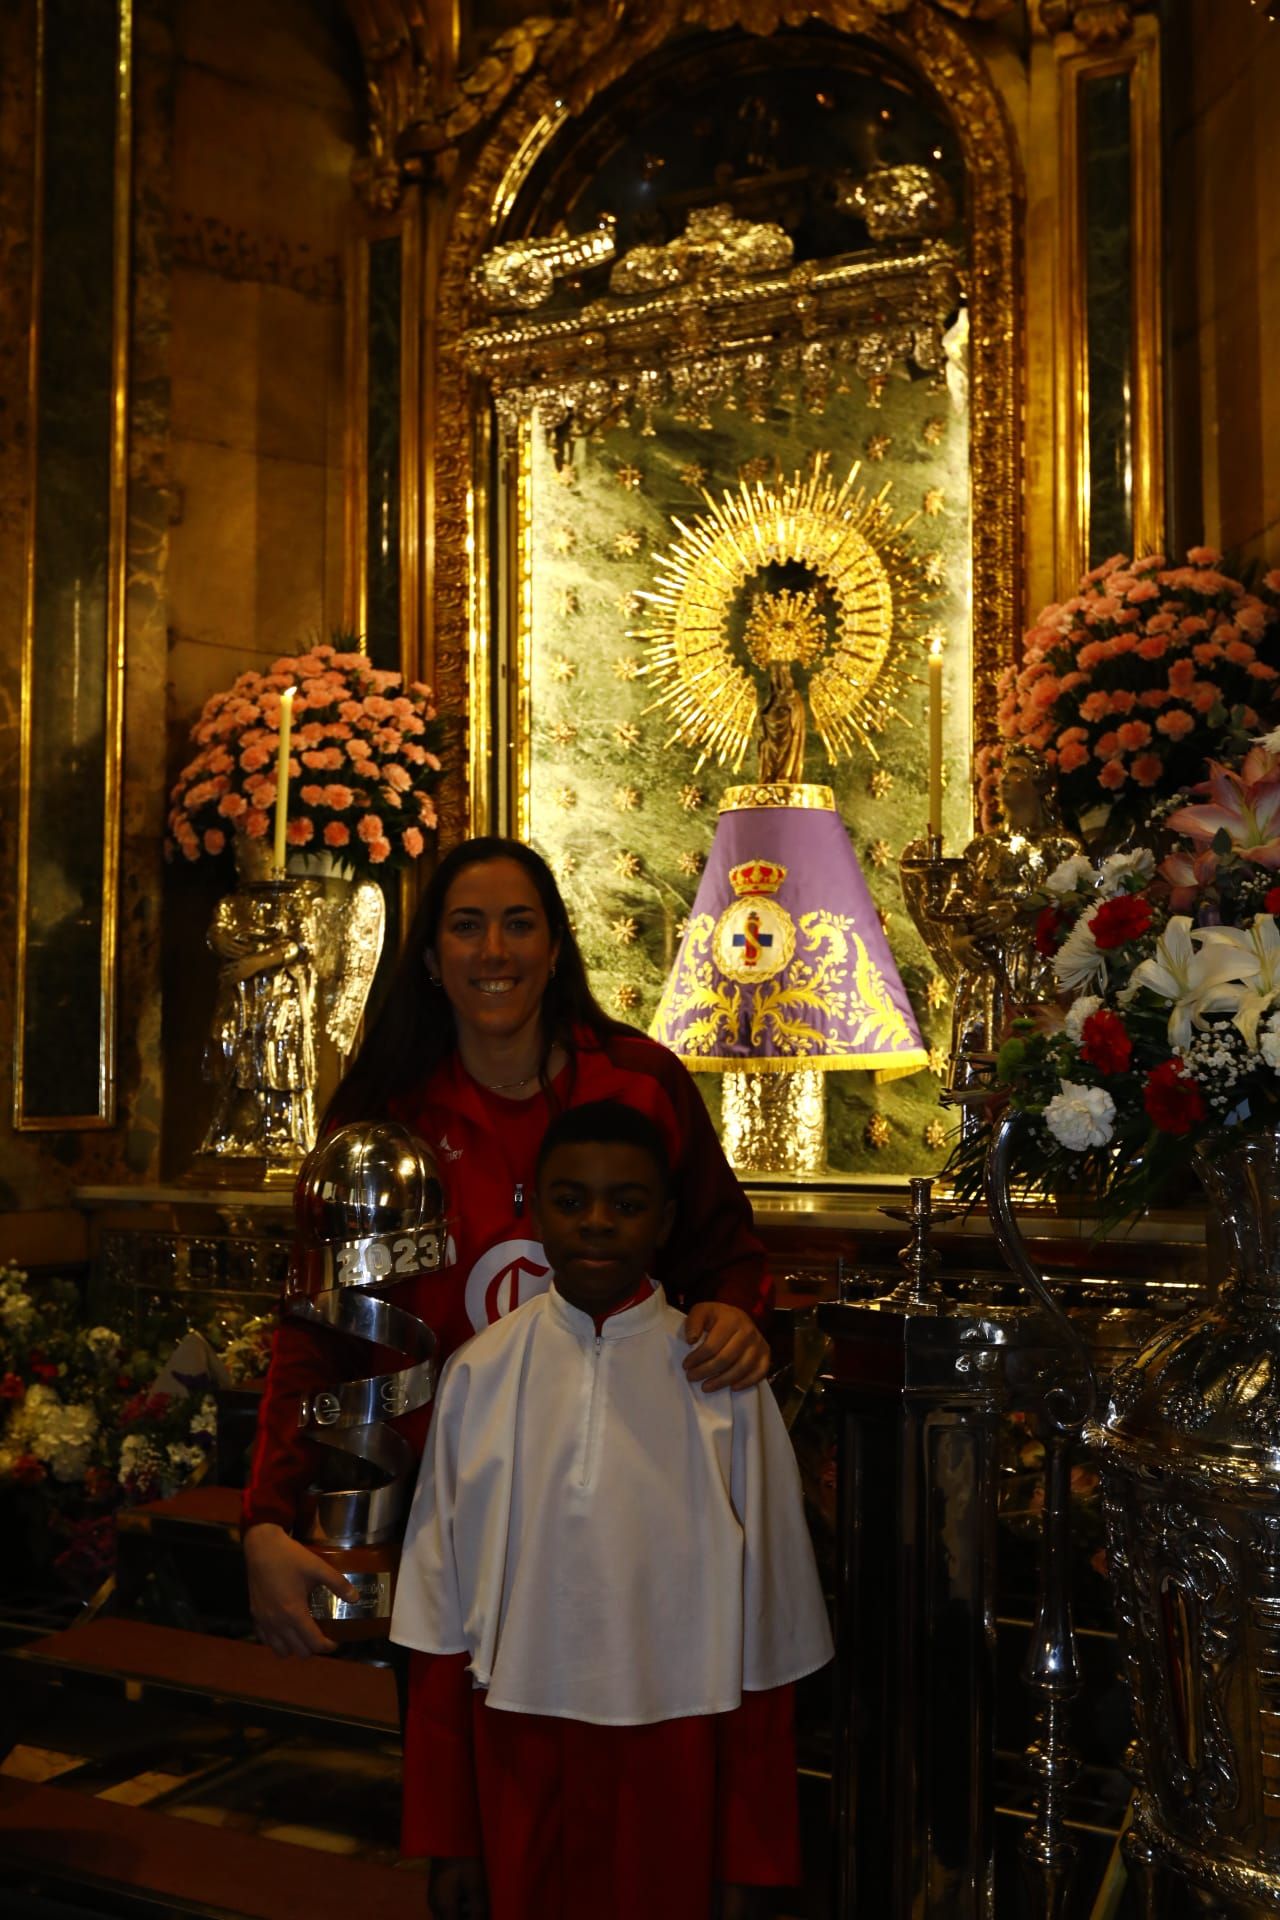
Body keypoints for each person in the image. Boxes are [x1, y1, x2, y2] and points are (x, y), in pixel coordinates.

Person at [240, 840, 774, 1829]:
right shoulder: (382, 1118)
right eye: (466, 924)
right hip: (452, 1530)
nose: (495, 950)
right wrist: (265, 1521)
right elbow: (314, 1334)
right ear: (430, 958)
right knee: (478, 1824)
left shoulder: (639, 1084)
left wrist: (735, 1311)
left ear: (555, 944)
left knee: (629, 1820)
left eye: (519, 923)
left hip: (626, 1519)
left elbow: (722, 1252)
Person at [392, 1101, 832, 1920]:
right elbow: (437, 1623)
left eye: (626, 1205)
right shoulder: (479, 1374)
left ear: (664, 1222)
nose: (597, 1223)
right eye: (571, 1200)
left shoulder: (722, 1384)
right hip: (516, 1747)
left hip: (681, 1749)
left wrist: (751, 1858)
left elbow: (769, 1643)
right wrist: (450, 1837)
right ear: (535, 1207)